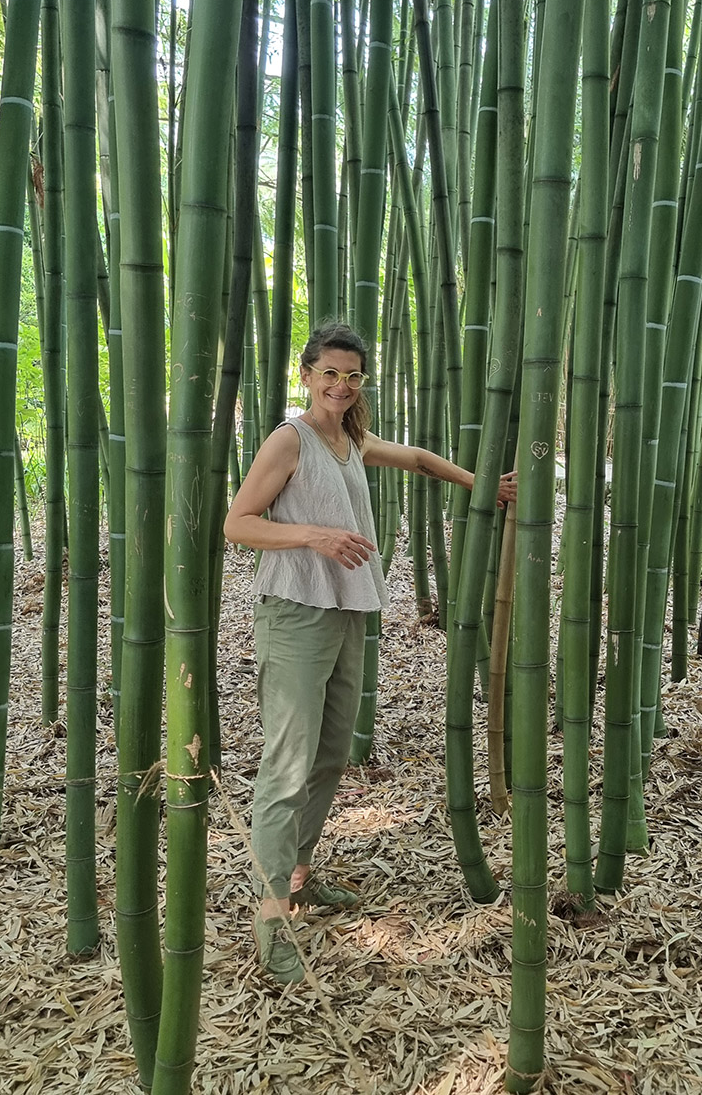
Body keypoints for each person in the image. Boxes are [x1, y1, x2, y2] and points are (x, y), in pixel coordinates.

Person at [224, 321, 517, 984]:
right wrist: (316, 536)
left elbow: (415, 458)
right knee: (287, 766)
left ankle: (299, 876)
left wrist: (483, 485)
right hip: (296, 612)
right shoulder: (288, 438)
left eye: (353, 376)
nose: (341, 385)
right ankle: (271, 920)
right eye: (329, 373)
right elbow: (237, 521)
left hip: (348, 610)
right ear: (306, 374)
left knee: (330, 753)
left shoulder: (350, 438)